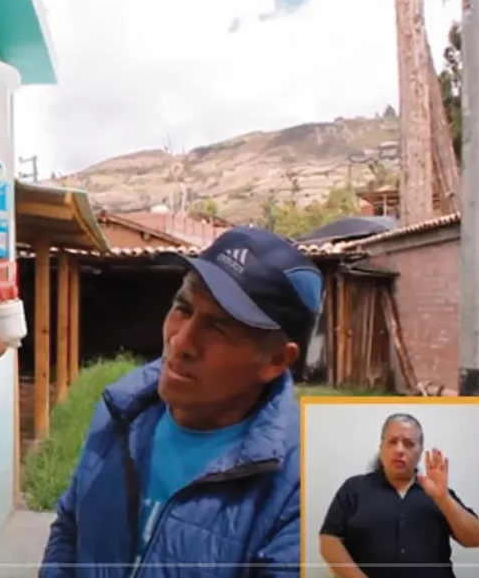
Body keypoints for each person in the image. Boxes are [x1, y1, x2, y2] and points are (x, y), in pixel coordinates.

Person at [40, 226, 322, 578]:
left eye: (218, 327)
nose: (182, 341)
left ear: (275, 360)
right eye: (183, 308)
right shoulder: (122, 409)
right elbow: (70, 525)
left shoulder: (303, 489)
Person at [318, 413, 479, 578]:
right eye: (392, 442)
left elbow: (475, 539)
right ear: (381, 449)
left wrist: (443, 499)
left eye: (409, 444)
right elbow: (329, 540)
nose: (399, 450)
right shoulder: (354, 488)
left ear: (420, 452)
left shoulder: (438, 492)